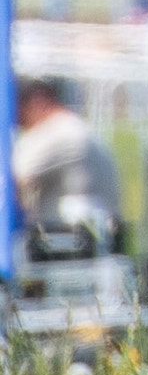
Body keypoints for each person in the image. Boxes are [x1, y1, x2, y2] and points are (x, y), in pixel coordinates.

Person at [15, 78, 126, 259]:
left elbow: (12, 176)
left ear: (37, 100)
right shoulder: (74, 128)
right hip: (89, 237)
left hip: (72, 241)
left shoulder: (60, 132)